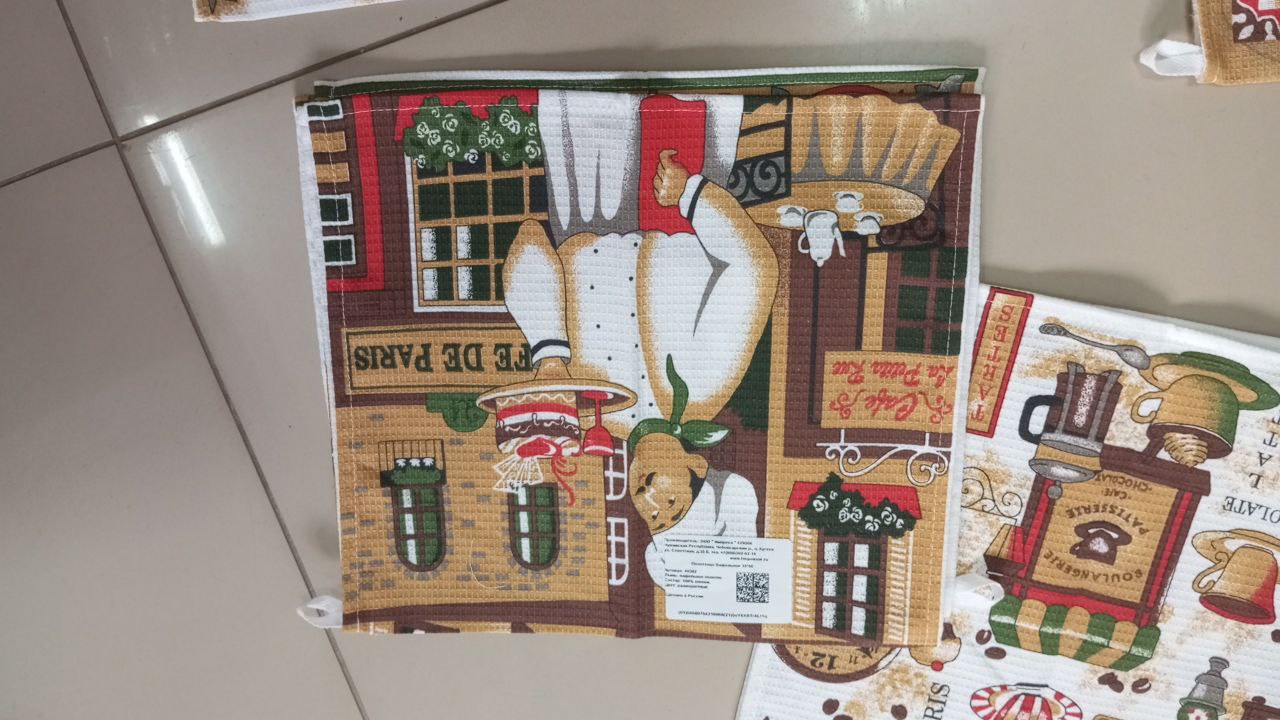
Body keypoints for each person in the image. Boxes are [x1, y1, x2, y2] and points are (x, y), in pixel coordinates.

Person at [502, 145, 778, 543]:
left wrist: (549, 356)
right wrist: (690, 193)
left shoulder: (589, 407)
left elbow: (529, 241)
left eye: (653, 518)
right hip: (674, 192)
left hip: (579, 201)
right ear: (696, 466)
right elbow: (755, 268)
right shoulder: (708, 384)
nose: (650, 499)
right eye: (672, 503)